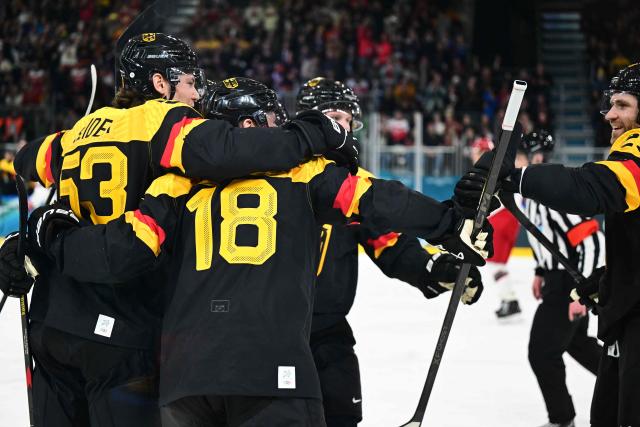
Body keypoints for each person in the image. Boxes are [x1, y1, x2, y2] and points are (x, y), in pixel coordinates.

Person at [20, 76, 494, 426]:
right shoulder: (305, 172)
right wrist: (452, 224)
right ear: (248, 126)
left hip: (189, 373)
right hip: (277, 358)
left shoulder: (175, 181)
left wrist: (44, 239)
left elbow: (123, 242)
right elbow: (380, 205)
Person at [0, 33, 360, 427]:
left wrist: (28, 240)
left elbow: (25, 161)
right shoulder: (166, 122)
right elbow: (234, 149)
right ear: (160, 83)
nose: (195, 96)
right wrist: (318, 135)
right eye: (189, 83)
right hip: (123, 331)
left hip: (53, 323)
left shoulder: (77, 133)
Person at [454, 63, 640, 427]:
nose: (610, 114)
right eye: (611, 104)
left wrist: (516, 178)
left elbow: (593, 190)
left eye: (622, 104)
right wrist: (605, 282)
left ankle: (560, 417)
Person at [297, 76, 484, 427]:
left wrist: (436, 268)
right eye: (337, 117)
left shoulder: (351, 185)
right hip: (275, 333)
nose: (346, 128)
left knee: (341, 417)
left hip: (328, 332)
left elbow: (390, 243)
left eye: (349, 121)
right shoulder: (277, 174)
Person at [517, 130, 603, 427]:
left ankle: (562, 418)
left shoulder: (551, 194)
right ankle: (628, 383)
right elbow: (549, 239)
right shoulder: (533, 194)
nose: (513, 164)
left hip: (570, 286)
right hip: (559, 280)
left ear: (537, 158)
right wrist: (541, 270)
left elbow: (592, 242)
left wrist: (583, 292)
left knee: (542, 352)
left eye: (518, 157)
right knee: (578, 345)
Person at [470, 136, 522, 319]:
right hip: (507, 217)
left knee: (495, 264)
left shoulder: (488, 169)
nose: (473, 155)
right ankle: (509, 300)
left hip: (501, 218)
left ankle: (510, 300)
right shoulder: (497, 168)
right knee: (498, 264)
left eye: (476, 151)